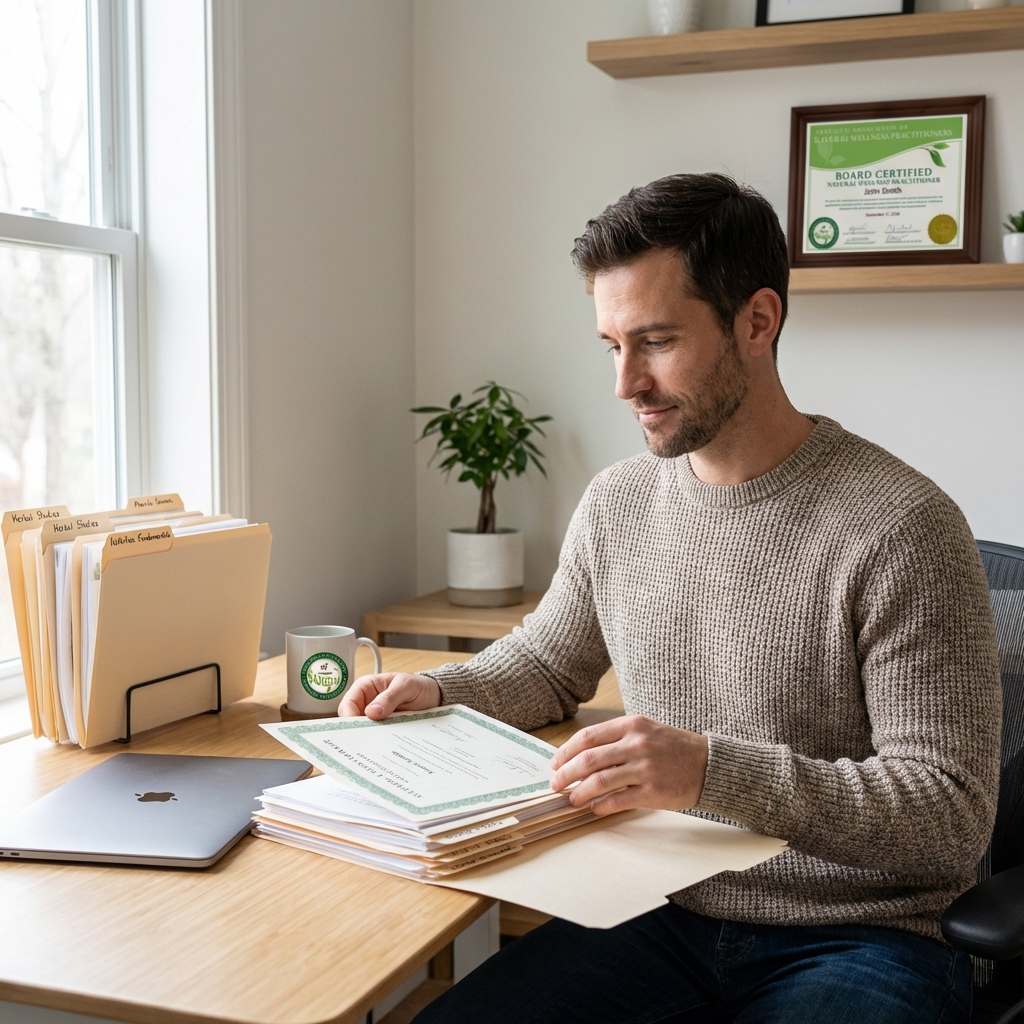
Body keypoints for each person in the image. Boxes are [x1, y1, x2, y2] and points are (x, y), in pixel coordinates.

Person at [341, 173, 1001, 1023]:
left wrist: (711, 773)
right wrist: (443, 691)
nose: (626, 384)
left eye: (655, 341)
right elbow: (546, 662)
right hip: (662, 910)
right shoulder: (620, 503)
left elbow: (947, 814)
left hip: (865, 936)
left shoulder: (903, 527)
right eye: (611, 345)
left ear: (757, 322)